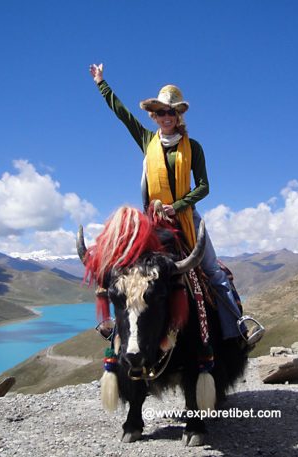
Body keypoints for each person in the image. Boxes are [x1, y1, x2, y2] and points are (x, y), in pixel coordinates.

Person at [88, 63, 262, 343]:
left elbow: (204, 186)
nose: (166, 116)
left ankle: (237, 329)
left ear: (179, 115)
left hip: (184, 218)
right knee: (125, 272)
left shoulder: (193, 148)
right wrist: (101, 83)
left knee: (213, 271)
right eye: (160, 112)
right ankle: (119, 336)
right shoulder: (147, 140)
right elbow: (121, 113)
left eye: (171, 111)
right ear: (153, 116)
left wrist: (178, 206)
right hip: (152, 222)